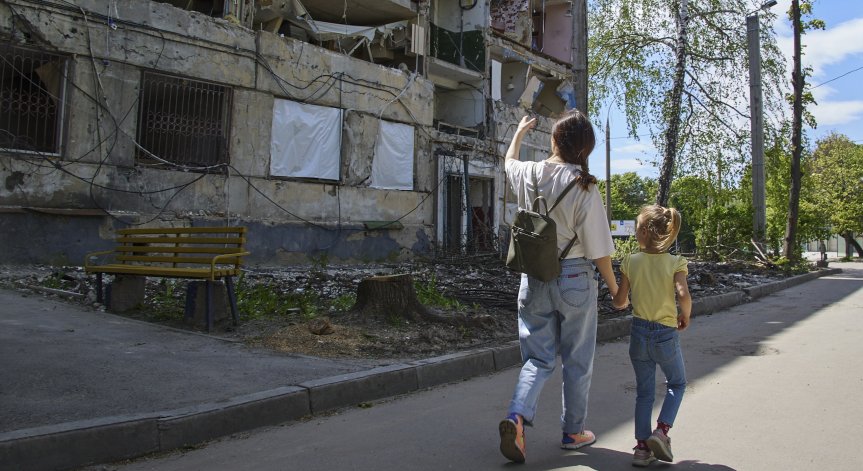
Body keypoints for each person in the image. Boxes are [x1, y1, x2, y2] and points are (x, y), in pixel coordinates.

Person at [498, 110, 619, 463]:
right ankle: (573, 431)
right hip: (575, 278)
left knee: (537, 358)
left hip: (534, 275)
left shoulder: (528, 173)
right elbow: (599, 249)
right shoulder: (584, 185)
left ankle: (517, 417)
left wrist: (519, 133)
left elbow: (508, 162)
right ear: (585, 148)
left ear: (553, 140)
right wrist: (615, 290)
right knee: (577, 360)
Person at [612, 205, 692, 467]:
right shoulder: (675, 262)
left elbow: (620, 301)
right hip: (665, 334)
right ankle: (662, 431)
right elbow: (683, 294)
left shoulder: (630, 261)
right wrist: (685, 315)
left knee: (644, 393)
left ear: (644, 231)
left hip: (638, 333)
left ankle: (641, 449)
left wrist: (618, 298)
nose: (635, 232)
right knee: (677, 383)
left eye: (636, 227)